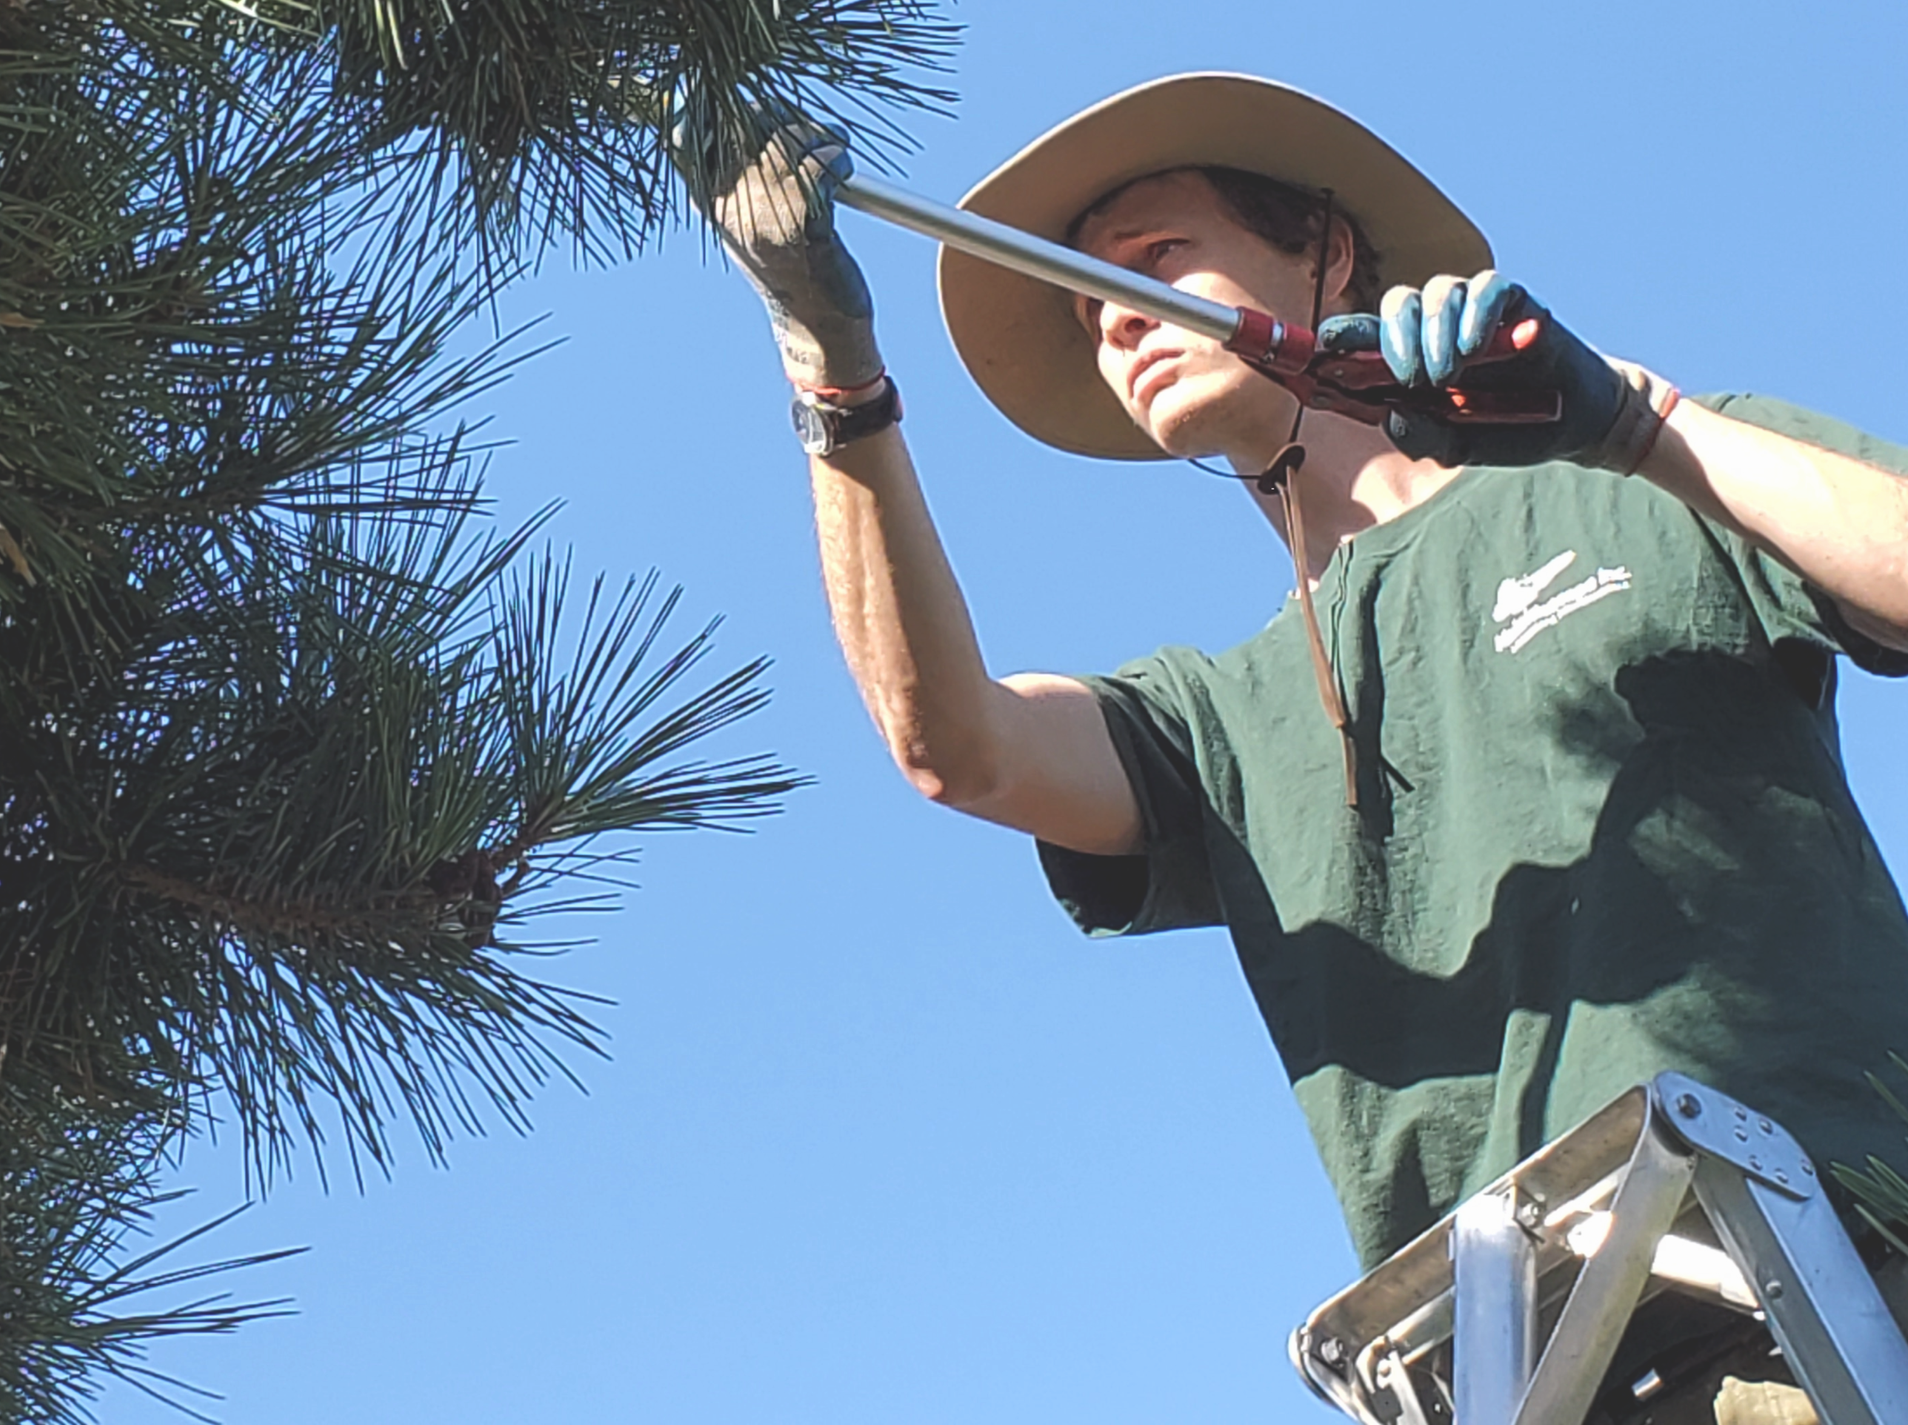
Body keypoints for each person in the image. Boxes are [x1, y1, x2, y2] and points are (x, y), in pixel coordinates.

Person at [687, 73, 1908, 1425]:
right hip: (1531, 1374)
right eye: (1089, 310)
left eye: (1160, 258)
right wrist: (831, 363)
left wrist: (1639, 426)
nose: (1117, 319)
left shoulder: (1637, 486)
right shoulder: (1219, 719)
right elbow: (955, 746)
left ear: (1324, 251)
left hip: (1839, 1273)